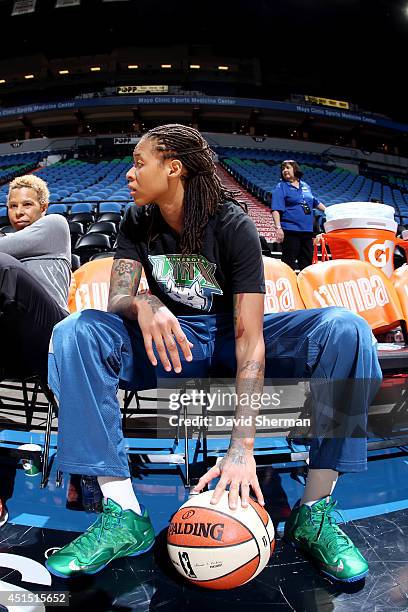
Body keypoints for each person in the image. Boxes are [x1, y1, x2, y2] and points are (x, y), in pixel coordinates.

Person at [45, 125, 381, 584]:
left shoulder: (231, 223)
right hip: (168, 346)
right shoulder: (137, 219)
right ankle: (122, 513)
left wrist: (241, 448)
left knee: (345, 329)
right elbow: (118, 296)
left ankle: (315, 511)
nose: (129, 174)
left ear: (174, 168)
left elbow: (249, 336)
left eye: (139, 163)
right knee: (75, 332)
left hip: (229, 337)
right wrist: (146, 302)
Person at [0, 174, 71, 528]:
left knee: (6, 270)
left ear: (43, 207)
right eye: (12, 206)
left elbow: (5, 256)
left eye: (27, 204)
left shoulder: (55, 225)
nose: (18, 212)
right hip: (13, 339)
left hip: (51, 331)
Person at [272, 160, 326, 270]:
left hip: (307, 232)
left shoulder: (305, 185)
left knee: (307, 264)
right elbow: (276, 210)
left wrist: (329, 211)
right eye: (283, 169)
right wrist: (278, 228)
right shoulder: (281, 187)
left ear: (295, 169)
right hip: (291, 231)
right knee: (288, 263)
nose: (284, 170)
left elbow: (315, 202)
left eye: (287, 167)